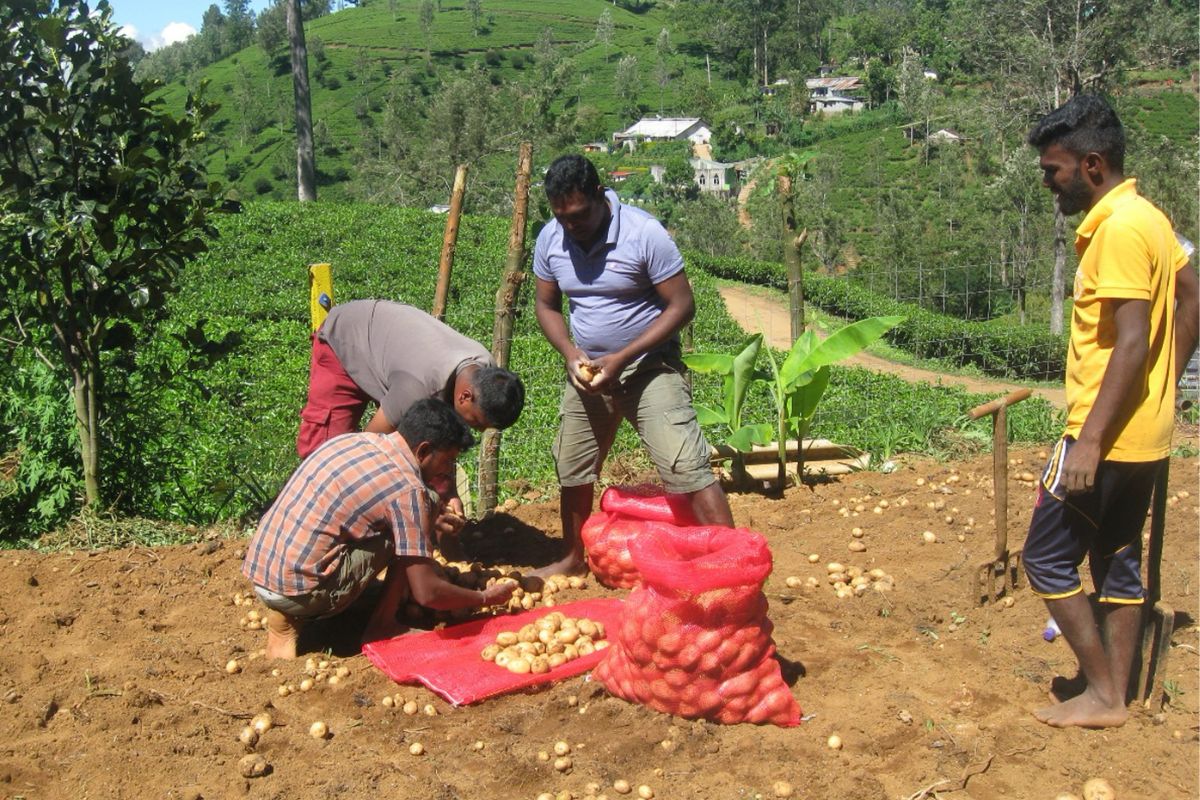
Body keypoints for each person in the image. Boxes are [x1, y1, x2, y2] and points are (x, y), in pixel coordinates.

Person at [1022, 94, 1199, 728]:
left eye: (1054, 170)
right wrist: (1168, 380)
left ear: (1092, 164)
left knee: (1043, 557)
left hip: (1107, 432)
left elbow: (1128, 340)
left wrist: (1090, 438)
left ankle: (1100, 693)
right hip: (1145, 430)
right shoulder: (1150, 217)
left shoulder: (1120, 231)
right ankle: (1116, 692)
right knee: (1117, 555)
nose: (1049, 183)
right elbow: (1190, 292)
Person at [532, 153, 735, 577]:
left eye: (580, 214)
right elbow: (546, 305)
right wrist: (572, 355)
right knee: (572, 465)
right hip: (588, 373)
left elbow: (682, 305)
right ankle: (573, 558)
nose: (572, 225)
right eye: (561, 216)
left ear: (599, 195)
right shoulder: (551, 238)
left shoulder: (644, 234)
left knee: (684, 465)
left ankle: (729, 562)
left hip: (648, 368)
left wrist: (622, 357)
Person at [244, 398, 516, 659]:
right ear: (422, 451)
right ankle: (382, 625)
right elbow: (428, 593)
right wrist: (483, 597)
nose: (446, 471)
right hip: (301, 592)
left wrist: (428, 519)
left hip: (263, 571)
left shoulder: (357, 440)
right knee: (405, 529)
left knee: (417, 514)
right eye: (446, 461)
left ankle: (288, 610)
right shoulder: (408, 492)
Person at [297, 298, 524, 459]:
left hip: (395, 353)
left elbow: (437, 445)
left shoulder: (484, 368)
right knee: (327, 455)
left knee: (416, 450)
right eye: (475, 423)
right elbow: (368, 449)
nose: (475, 430)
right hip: (347, 337)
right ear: (465, 396)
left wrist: (447, 496)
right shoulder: (417, 387)